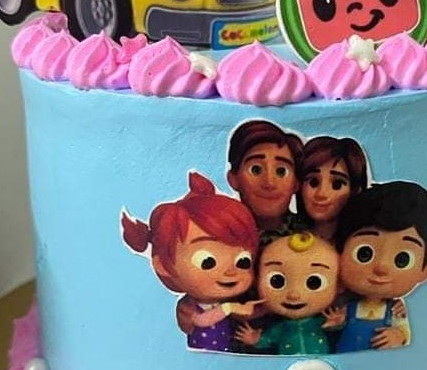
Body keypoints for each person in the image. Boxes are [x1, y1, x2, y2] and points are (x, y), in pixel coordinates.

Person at [121, 172, 261, 352]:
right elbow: (201, 320)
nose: (231, 272)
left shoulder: (234, 299)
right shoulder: (191, 309)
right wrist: (230, 308)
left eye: (243, 261)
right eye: (207, 262)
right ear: (163, 266)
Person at [334, 181, 427, 352]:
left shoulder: (396, 310)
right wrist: (335, 322)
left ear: (425, 270)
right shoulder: (347, 305)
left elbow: (404, 332)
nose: (381, 267)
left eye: (402, 259)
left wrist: (399, 335)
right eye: (364, 254)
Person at [235, 232, 345, 355]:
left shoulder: (319, 322)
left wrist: (338, 323)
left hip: (320, 363)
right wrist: (255, 339)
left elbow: (334, 329)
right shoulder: (281, 328)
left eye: (314, 282)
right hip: (289, 366)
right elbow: (268, 339)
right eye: (277, 281)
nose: (294, 294)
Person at [227, 120, 305, 243]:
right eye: (256, 170)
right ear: (233, 178)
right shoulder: (221, 236)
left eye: (281, 171)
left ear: (296, 183)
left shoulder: (312, 234)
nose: (269, 183)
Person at [298, 136, 368, 241]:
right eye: (313, 182)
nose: (321, 194)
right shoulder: (286, 237)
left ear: (354, 190)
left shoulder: (362, 240)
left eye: (337, 184)